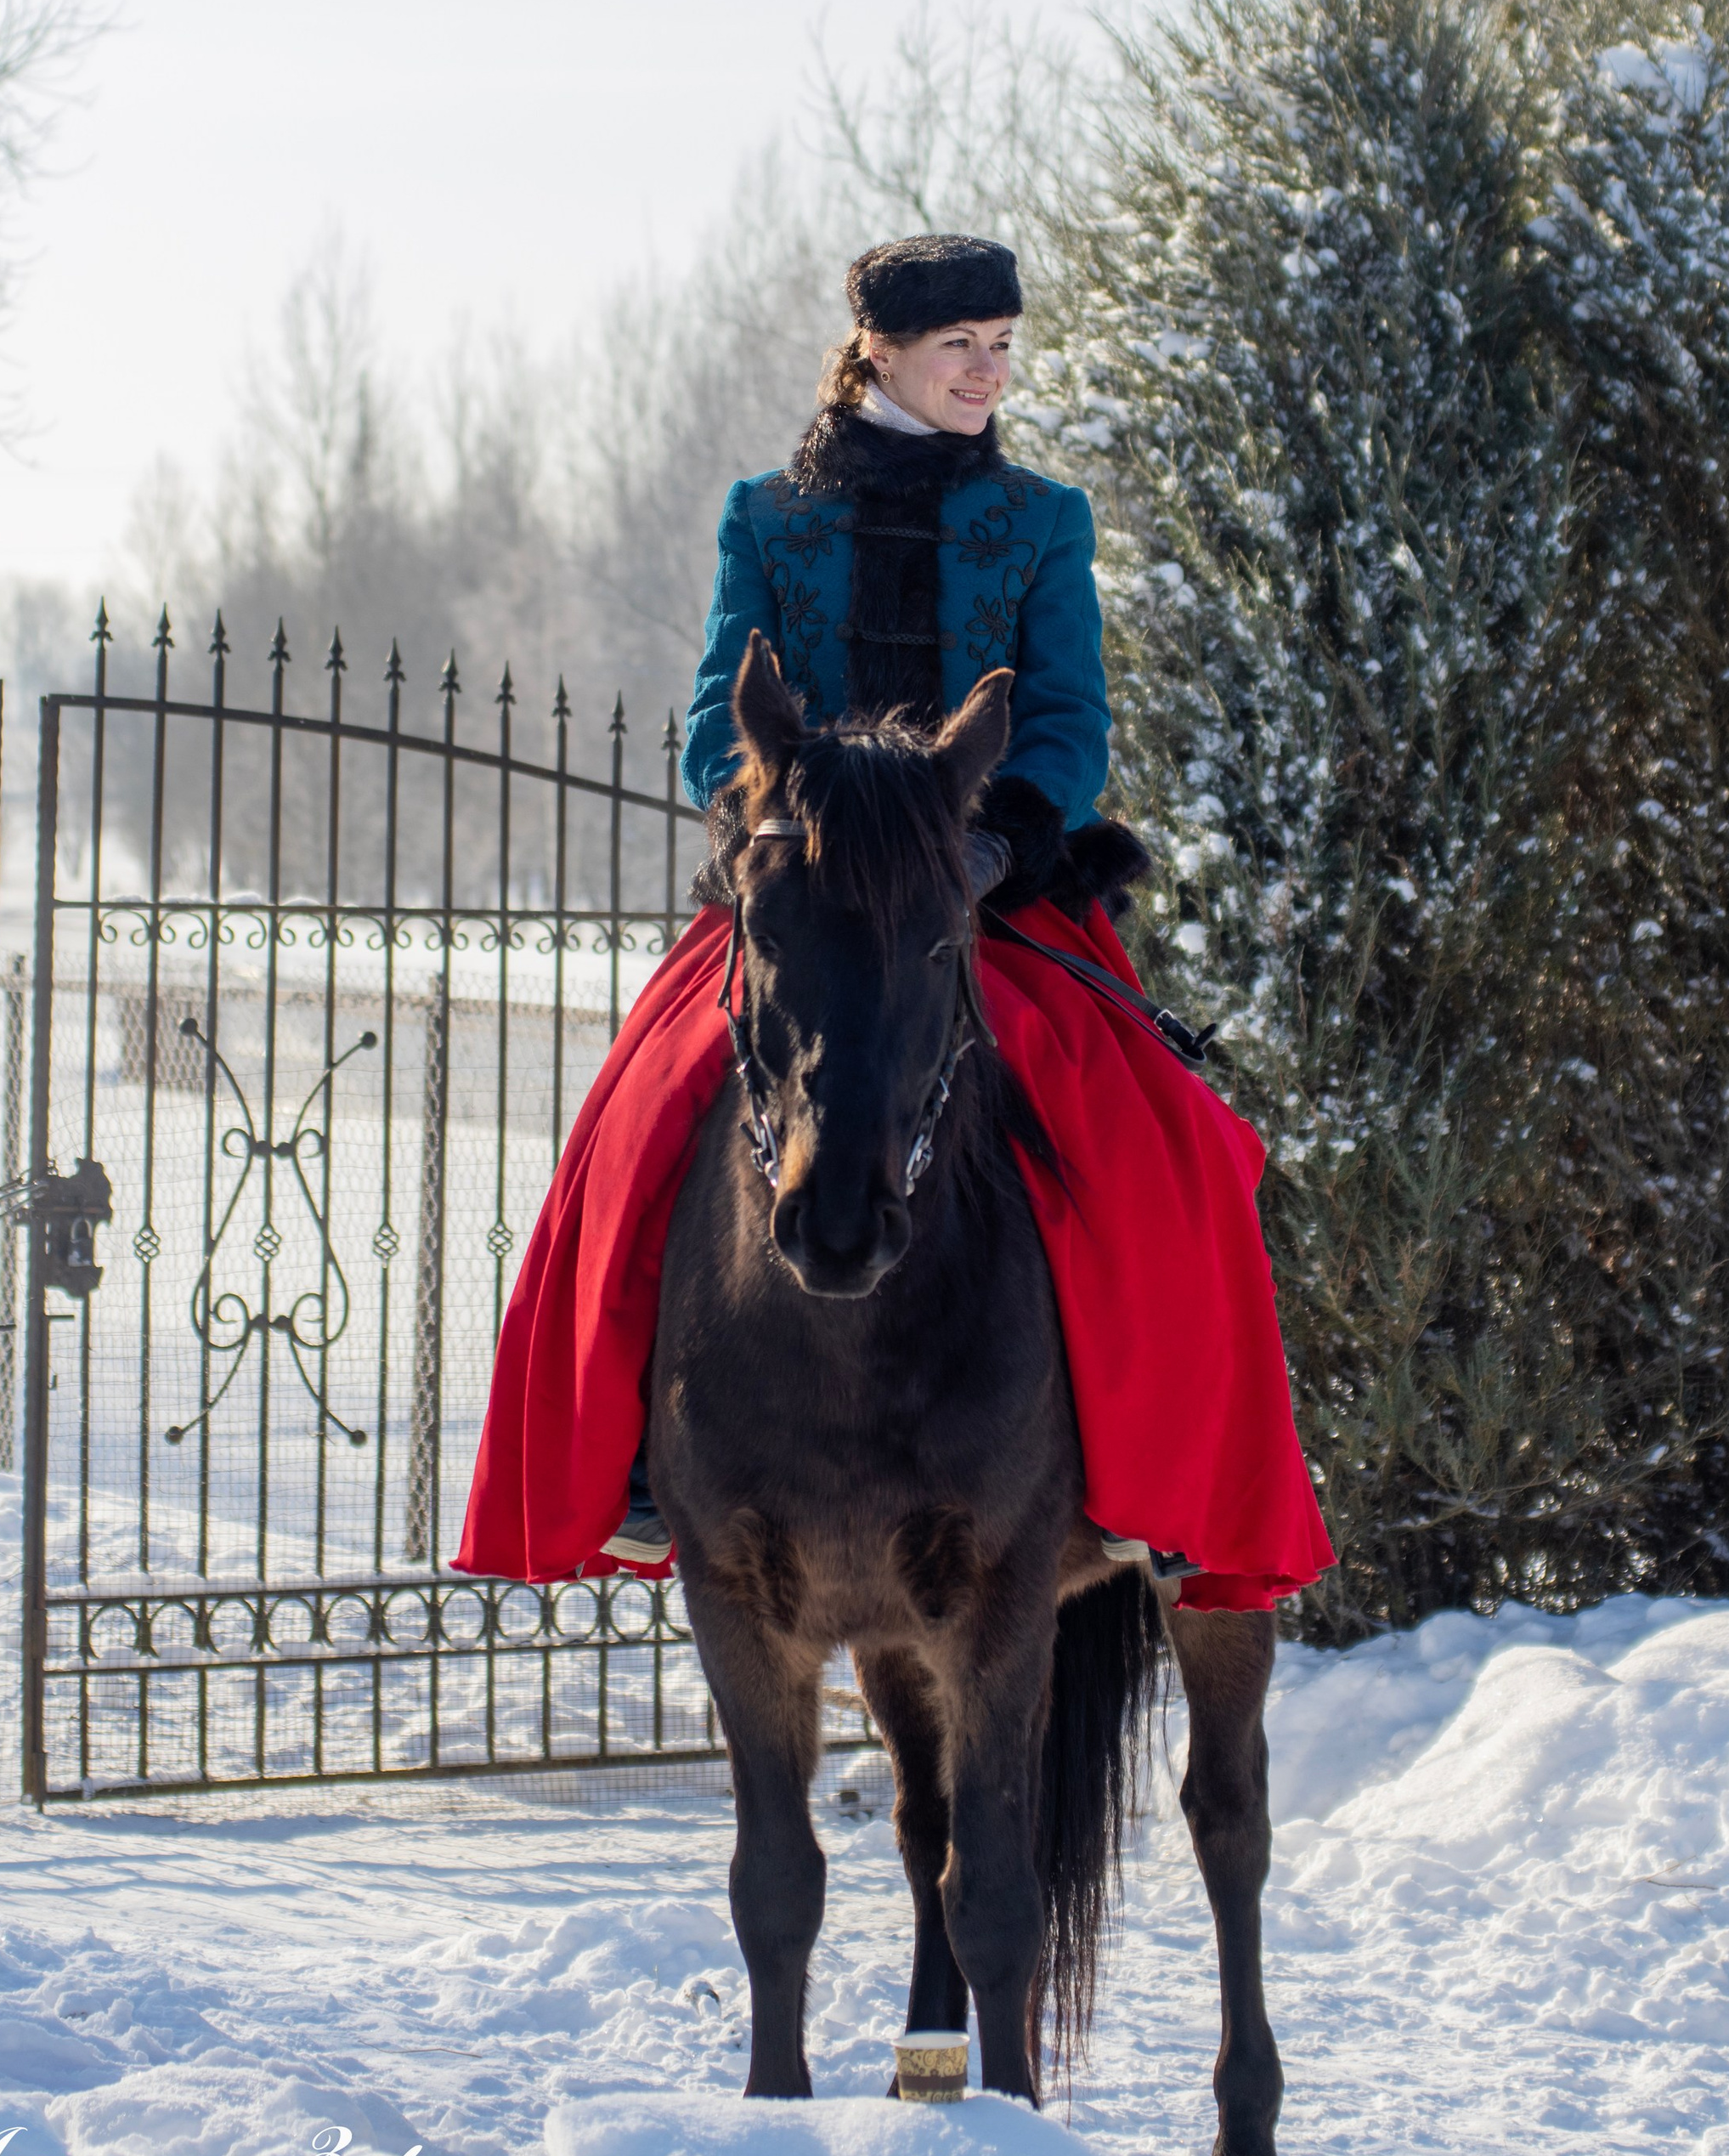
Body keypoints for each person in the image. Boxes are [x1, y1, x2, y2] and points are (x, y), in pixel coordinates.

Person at [454, 234, 1332, 1614]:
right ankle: (630, 1465)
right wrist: (767, 815)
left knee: (1175, 1144)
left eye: (999, 346)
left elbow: (1063, 719)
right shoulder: (767, 515)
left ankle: (1160, 1480)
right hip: (802, 882)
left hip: (987, 897)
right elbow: (709, 714)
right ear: (880, 355)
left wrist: (987, 842)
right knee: (627, 1133)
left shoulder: (1044, 520)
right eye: (956, 349)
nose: (985, 371)